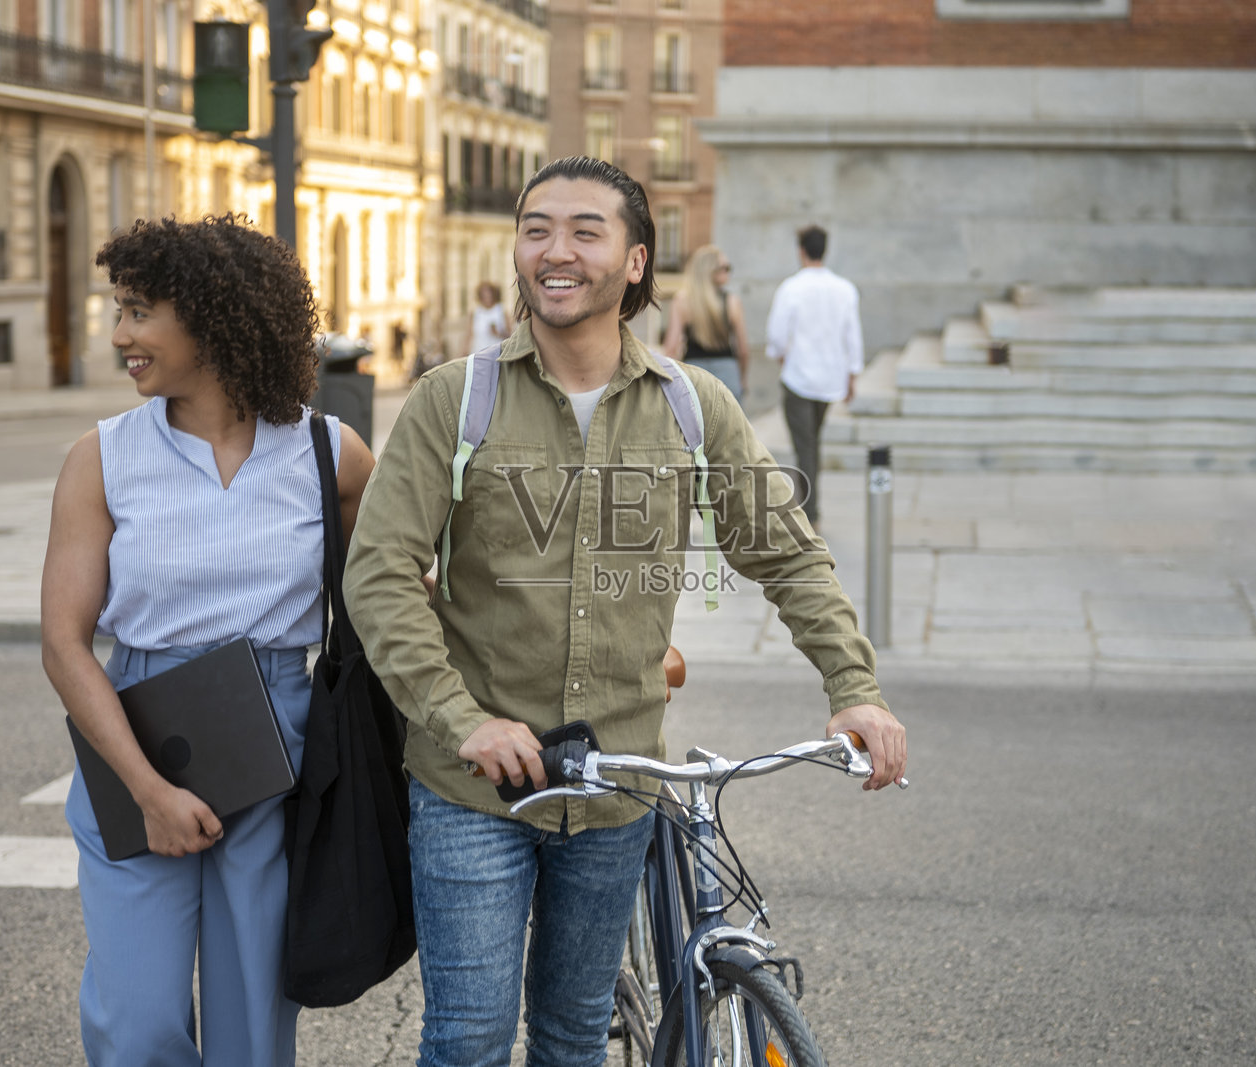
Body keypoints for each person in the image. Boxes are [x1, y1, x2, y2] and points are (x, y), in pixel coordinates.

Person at [342, 156, 906, 1067]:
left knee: (574, 1039)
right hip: (473, 787)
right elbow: (379, 572)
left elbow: (788, 553)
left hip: (617, 790)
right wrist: (462, 719)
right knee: (469, 1038)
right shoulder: (458, 397)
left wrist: (855, 687)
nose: (554, 251)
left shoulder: (691, 405)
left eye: (584, 231)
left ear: (636, 261)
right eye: (536, 229)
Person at [40, 214, 375, 1066]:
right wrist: (147, 788)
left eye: (139, 312)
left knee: (253, 1033)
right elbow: (64, 643)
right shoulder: (102, 458)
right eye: (119, 310)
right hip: (137, 737)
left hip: (279, 748)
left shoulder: (329, 454)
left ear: (213, 317)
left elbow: (398, 597)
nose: (121, 336)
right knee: (136, 1023)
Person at [765, 224, 863, 529]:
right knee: (811, 443)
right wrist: (852, 375)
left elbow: (776, 334)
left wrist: (781, 355)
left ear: (801, 251)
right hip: (830, 379)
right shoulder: (845, 289)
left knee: (805, 446)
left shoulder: (791, 288)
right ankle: (810, 509)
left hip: (799, 378)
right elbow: (853, 335)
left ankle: (810, 513)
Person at [662, 244, 750, 401]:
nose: (729, 272)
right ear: (709, 270)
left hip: (693, 375)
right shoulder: (732, 302)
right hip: (728, 374)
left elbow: (671, 348)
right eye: (725, 268)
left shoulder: (682, 302)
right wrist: (742, 379)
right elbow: (743, 350)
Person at [468, 280, 510, 355]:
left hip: (497, 354)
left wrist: (498, 333)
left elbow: (510, 336)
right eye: (484, 295)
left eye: (489, 294)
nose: (487, 297)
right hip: (478, 353)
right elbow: (469, 336)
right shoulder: (475, 312)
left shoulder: (501, 310)